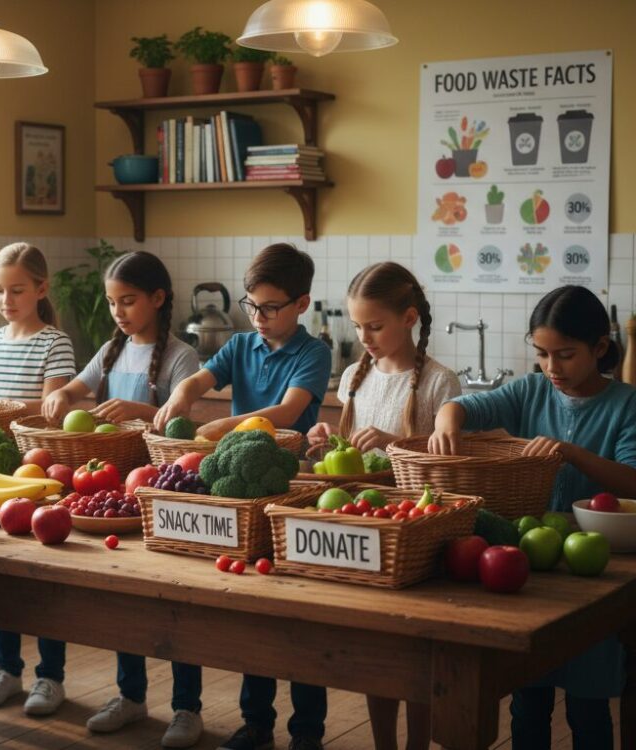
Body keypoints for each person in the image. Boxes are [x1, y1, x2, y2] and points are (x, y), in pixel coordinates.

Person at [430, 285, 634, 750]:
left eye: (564, 355)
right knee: (529, 696)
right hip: (529, 566)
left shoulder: (626, 404)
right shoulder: (529, 390)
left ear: (599, 348)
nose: (551, 368)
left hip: (596, 572)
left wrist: (570, 453)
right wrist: (447, 422)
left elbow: (632, 483)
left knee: (588, 701)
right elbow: (460, 407)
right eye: (541, 354)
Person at [154, 243, 332, 750]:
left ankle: (307, 732)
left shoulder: (313, 352)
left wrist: (222, 427)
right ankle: (256, 723)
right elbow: (201, 376)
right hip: (241, 490)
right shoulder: (240, 345)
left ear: (301, 304)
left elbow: (287, 409)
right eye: (252, 306)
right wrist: (182, 393)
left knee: (298, 617)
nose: (259, 317)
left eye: (271, 308)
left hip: (290, 486)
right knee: (253, 611)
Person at [42, 251, 203, 747]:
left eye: (127, 301)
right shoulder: (110, 352)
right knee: (123, 604)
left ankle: (187, 709)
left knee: (179, 605)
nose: (118, 311)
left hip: (160, 491)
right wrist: (62, 397)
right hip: (112, 494)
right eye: (112, 302)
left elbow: (180, 427)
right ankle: (131, 697)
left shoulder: (182, 356)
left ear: (157, 299)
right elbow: (76, 386)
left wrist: (139, 408)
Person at [307, 262, 460, 750]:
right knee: (378, 656)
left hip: (415, 529)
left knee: (413, 656)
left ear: (409, 317)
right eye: (357, 326)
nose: (363, 336)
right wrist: (328, 441)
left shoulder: (439, 382)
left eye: (374, 326)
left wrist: (397, 441)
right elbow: (350, 453)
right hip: (361, 523)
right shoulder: (354, 374)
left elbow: (444, 467)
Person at [0, 242, 76, 716]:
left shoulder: (56, 342)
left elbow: (50, 407)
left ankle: (50, 678)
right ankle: (6, 670)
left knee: (44, 578)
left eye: (16, 290)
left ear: (41, 288)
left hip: (36, 468)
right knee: (0, 576)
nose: (5, 300)